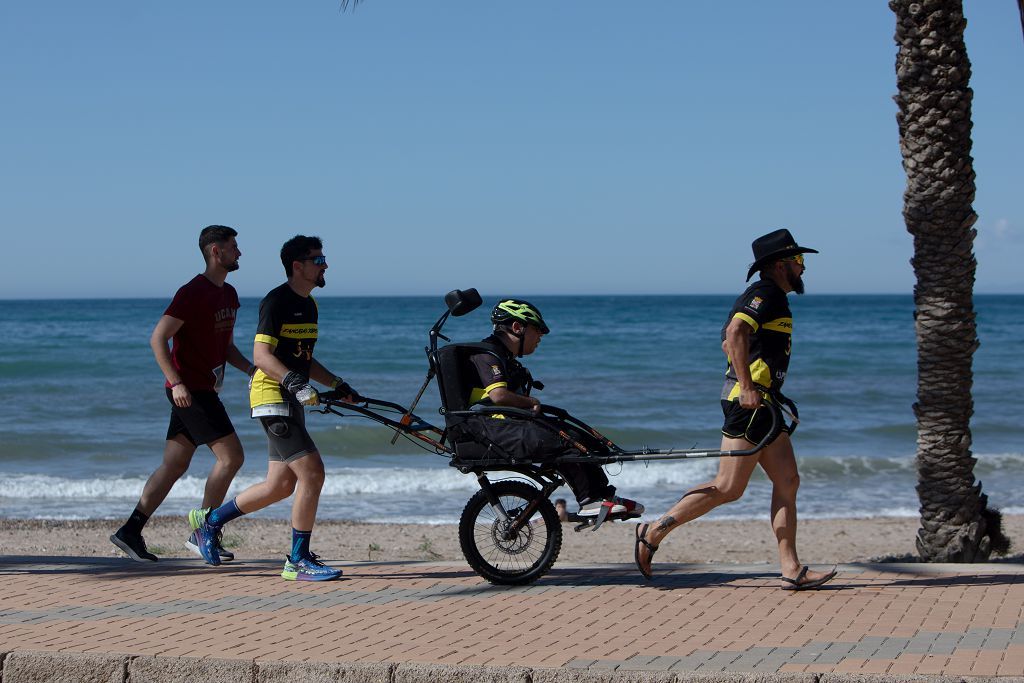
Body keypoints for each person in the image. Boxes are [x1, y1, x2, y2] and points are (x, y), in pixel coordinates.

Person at [634, 229, 837, 590]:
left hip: (766, 404)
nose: (803, 269)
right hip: (750, 405)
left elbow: (728, 341)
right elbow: (735, 332)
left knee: (788, 480)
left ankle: (791, 567)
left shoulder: (772, 297)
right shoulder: (765, 293)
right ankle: (653, 531)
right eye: (799, 261)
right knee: (728, 487)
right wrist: (746, 386)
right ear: (780, 265)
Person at [188, 235, 358, 581]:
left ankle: (209, 522)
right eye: (318, 259)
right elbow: (261, 357)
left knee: (280, 485)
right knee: (312, 473)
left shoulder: (309, 305)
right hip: (272, 396)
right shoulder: (276, 302)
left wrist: (337, 384)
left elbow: (301, 361)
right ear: (298, 266)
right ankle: (297, 560)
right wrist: (295, 384)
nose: (325, 264)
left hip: (291, 397)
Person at [111, 225, 253, 563]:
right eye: (234, 247)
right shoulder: (192, 292)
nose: (240, 252)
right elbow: (158, 338)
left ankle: (130, 530)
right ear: (216, 252)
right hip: (190, 392)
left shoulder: (229, 295)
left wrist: (251, 370)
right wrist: (176, 383)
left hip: (201, 389)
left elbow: (226, 347)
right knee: (232, 457)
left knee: (174, 465)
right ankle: (203, 530)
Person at [452, 298, 643, 522]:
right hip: (491, 430)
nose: (540, 337)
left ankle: (604, 497)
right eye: (537, 330)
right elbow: (498, 396)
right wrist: (531, 402)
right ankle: (589, 501)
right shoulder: (487, 355)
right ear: (517, 327)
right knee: (564, 439)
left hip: (507, 426)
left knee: (583, 439)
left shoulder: (505, 358)